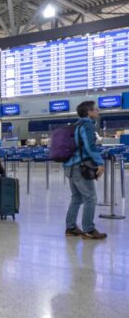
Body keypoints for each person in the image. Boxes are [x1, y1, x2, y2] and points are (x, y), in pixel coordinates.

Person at [64, 100, 107, 240]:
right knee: (90, 197)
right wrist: (100, 162)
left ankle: (71, 227)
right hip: (79, 167)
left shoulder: (76, 125)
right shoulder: (87, 125)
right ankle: (89, 229)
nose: (98, 111)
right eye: (96, 109)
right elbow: (90, 147)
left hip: (69, 166)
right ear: (89, 112)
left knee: (76, 197)